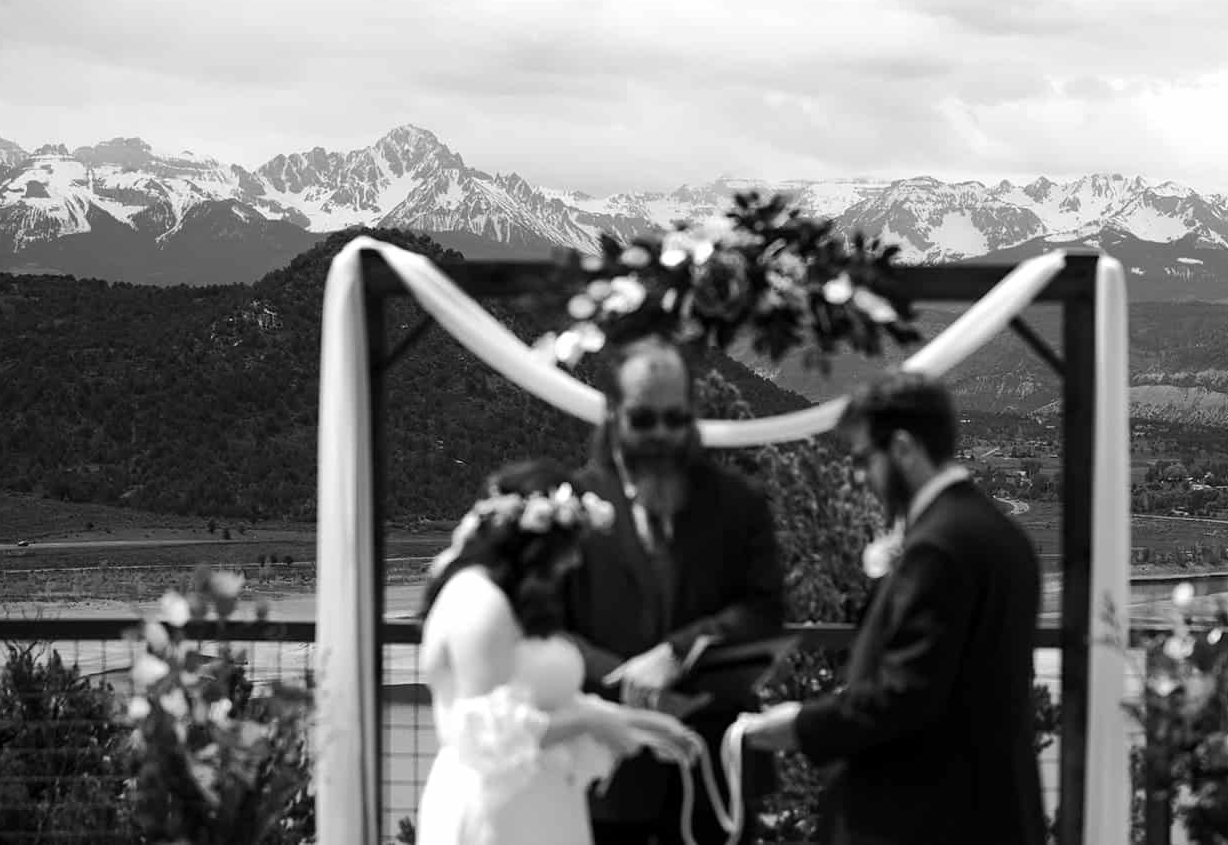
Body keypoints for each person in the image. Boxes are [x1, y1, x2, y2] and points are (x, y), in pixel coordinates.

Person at [738, 372, 1046, 845]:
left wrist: (795, 725)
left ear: (903, 448)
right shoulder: (1004, 537)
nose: (860, 477)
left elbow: (904, 696)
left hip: (927, 818)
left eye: (864, 460)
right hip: (995, 811)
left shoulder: (938, 548)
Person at [562, 336, 785, 845]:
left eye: (675, 418)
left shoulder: (741, 504)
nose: (661, 433)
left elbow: (763, 612)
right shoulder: (571, 504)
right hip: (607, 778)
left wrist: (676, 654)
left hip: (711, 769)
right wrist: (624, 685)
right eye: (644, 419)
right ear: (615, 415)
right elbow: (550, 626)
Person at [416, 459, 703, 845]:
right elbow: (486, 731)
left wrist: (642, 725)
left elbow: (550, 705)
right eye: (571, 547)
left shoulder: (512, 604)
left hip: (541, 802)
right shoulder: (477, 602)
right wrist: (596, 725)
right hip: (495, 813)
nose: (576, 560)